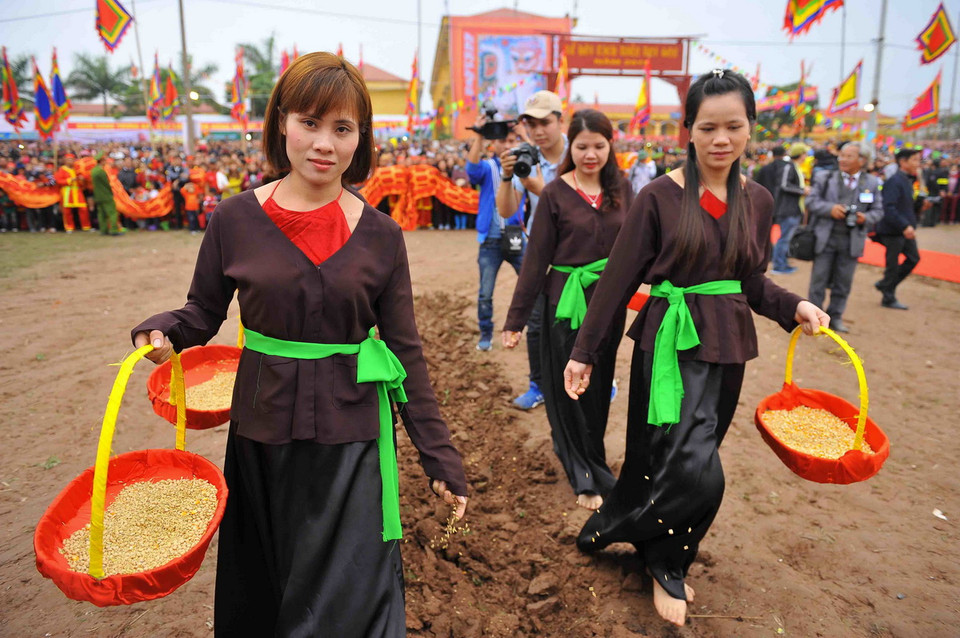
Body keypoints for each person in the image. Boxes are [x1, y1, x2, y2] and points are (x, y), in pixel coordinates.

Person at [129, 52, 468, 637]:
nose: (324, 143)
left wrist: (438, 454)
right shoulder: (234, 220)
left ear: (361, 138)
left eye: (343, 128)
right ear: (281, 122)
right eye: (310, 122)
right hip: (263, 434)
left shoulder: (383, 236)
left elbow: (406, 352)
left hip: (354, 437)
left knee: (348, 602)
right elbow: (202, 312)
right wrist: (166, 330)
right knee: (270, 590)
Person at [563, 69, 828, 628]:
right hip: (668, 343)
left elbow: (751, 281)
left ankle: (624, 529)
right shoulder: (659, 196)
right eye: (708, 127)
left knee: (686, 456)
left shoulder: (758, 199)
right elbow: (616, 280)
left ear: (751, 128)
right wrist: (584, 352)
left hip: (727, 345)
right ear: (688, 129)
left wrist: (794, 306)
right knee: (688, 464)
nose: (721, 139)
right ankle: (666, 562)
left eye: (734, 126)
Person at [502, 109, 631, 511]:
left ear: (610, 146)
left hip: (608, 305)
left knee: (599, 387)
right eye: (582, 146)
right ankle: (584, 475)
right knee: (568, 389)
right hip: (563, 304)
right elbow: (535, 260)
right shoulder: (556, 193)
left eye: (599, 146)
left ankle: (592, 457)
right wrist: (516, 320)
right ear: (570, 147)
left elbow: (639, 246)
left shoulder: (623, 189)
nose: (590, 154)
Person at [496, 90, 569, 409]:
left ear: (560, 121)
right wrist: (507, 176)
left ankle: (598, 378)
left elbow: (588, 207)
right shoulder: (527, 156)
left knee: (581, 322)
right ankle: (538, 384)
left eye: (545, 122)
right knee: (537, 324)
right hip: (540, 254)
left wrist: (543, 190)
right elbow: (505, 210)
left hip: (580, 255)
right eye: (531, 124)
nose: (538, 131)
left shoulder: (580, 152)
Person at [805, 141, 883, 333]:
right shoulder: (825, 177)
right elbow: (811, 201)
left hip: (852, 240)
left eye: (849, 156)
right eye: (842, 155)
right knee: (818, 280)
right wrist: (830, 209)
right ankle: (814, 317)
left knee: (843, 282)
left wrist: (866, 218)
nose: (843, 160)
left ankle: (836, 317)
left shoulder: (872, 183)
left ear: (862, 160)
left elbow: (878, 210)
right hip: (826, 238)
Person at [467, 117, 525, 351]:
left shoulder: (524, 167)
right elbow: (471, 169)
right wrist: (479, 135)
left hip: (516, 236)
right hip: (490, 239)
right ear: (495, 143)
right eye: (503, 141)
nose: (508, 145)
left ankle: (533, 329)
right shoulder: (489, 166)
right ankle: (486, 335)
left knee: (531, 286)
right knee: (485, 293)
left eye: (512, 140)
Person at [875, 147, 924, 310]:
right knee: (892, 265)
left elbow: (906, 206)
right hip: (893, 230)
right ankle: (888, 296)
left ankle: (885, 284)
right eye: (914, 160)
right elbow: (889, 207)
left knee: (913, 258)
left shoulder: (908, 180)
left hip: (905, 230)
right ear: (903, 162)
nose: (917, 164)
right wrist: (904, 225)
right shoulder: (894, 181)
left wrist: (921, 205)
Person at [769, 143, 808, 274]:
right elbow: (784, 185)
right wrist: (802, 190)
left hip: (793, 208)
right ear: (801, 154)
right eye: (805, 154)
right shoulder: (789, 166)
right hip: (788, 209)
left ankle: (782, 263)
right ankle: (779, 265)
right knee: (784, 238)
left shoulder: (794, 167)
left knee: (786, 238)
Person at [54, 153, 91, 233]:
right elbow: (58, 181)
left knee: (83, 208)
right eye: (68, 160)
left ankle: (86, 226)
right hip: (67, 191)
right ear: (65, 161)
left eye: (72, 159)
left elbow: (84, 178)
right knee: (67, 211)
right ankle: (69, 227)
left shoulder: (77, 169)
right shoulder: (62, 169)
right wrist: (70, 180)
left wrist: (82, 179)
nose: (70, 161)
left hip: (77, 191)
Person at [90, 153, 121, 236]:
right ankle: (114, 230)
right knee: (112, 213)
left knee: (101, 214)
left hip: (98, 196)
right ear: (101, 161)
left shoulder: (93, 171)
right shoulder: (101, 172)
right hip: (106, 195)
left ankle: (103, 230)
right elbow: (106, 183)